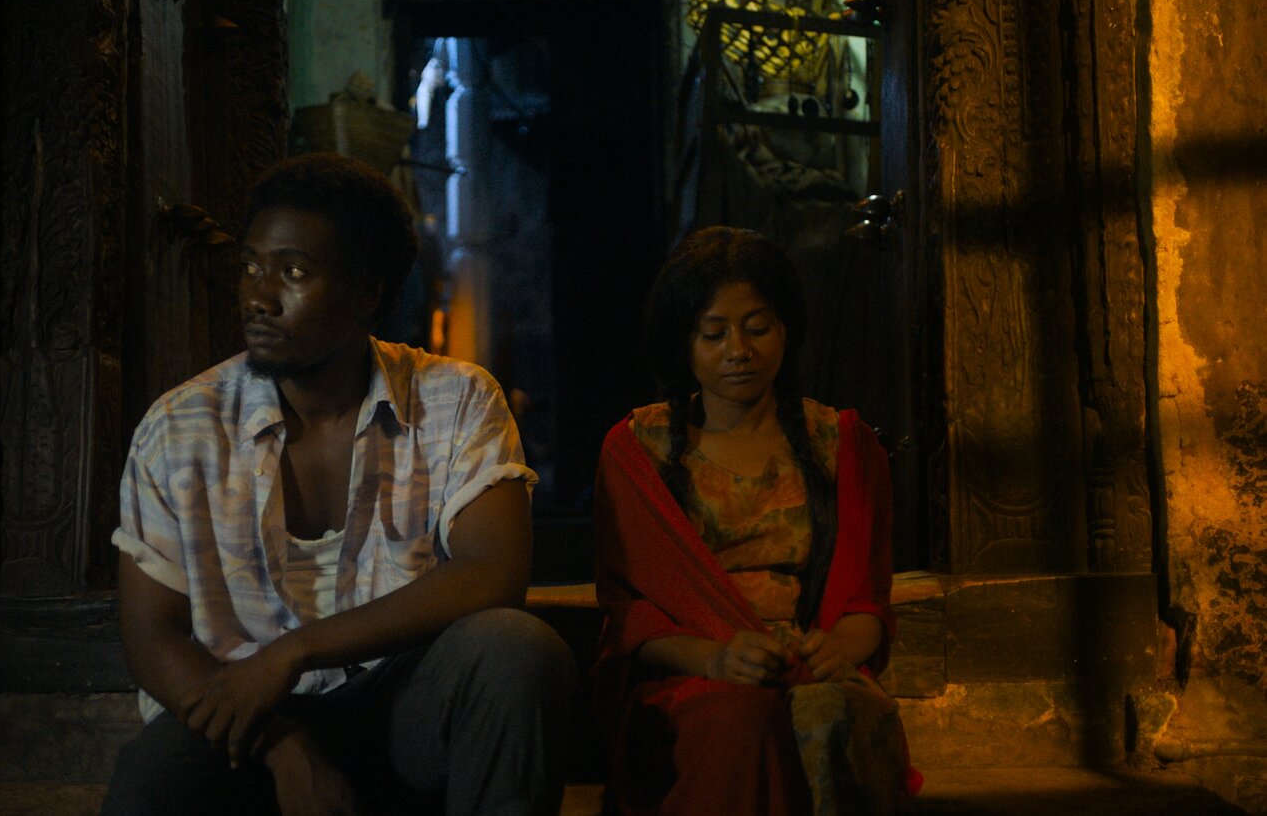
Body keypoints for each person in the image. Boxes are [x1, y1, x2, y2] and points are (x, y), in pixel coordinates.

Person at [102, 153, 574, 815]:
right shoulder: (180, 427)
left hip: (404, 707)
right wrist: (281, 746)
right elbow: (152, 635)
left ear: (366, 291)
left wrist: (294, 652)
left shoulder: (456, 398)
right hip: (252, 717)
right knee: (155, 773)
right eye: (250, 266)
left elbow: (491, 572)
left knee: (516, 651)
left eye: (293, 272)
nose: (259, 296)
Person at [592, 227, 918, 815]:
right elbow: (632, 617)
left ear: (786, 330)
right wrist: (717, 659)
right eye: (714, 333)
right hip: (693, 676)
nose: (738, 350)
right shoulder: (638, 450)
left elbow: (867, 601)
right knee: (739, 720)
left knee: (834, 713)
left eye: (757, 327)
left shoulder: (842, 443)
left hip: (811, 667)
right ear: (684, 342)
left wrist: (839, 649)